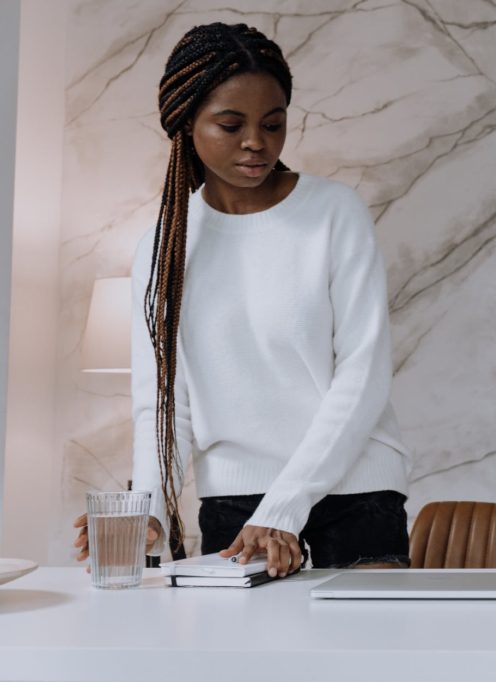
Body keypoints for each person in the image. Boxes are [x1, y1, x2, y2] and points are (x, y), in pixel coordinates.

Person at [73, 22, 411, 578]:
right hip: (237, 502)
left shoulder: (333, 214)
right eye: (231, 125)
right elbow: (162, 402)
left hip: (357, 489)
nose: (257, 142)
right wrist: (150, 513)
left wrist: (286, 507)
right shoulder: (164, 250)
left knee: (365, 660)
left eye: (273, 124)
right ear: (185, 124)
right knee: (245, 664)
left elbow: (363, 374)